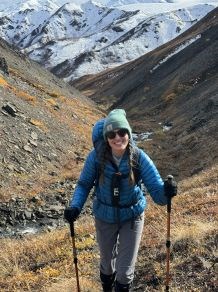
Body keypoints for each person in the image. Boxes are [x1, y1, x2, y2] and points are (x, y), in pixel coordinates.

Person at [64, 109, 177, 292]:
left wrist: (168, 191)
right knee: (107, 266)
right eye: (111, 134)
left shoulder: (139, 157)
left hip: (132, 217)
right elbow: (84, 184)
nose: (118, 138)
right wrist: (75, 207)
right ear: (106, 137)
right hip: (104, 217)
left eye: (122, 132)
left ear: (129, 133)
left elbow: (158, 194)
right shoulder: (96, 157)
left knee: (124, 274)